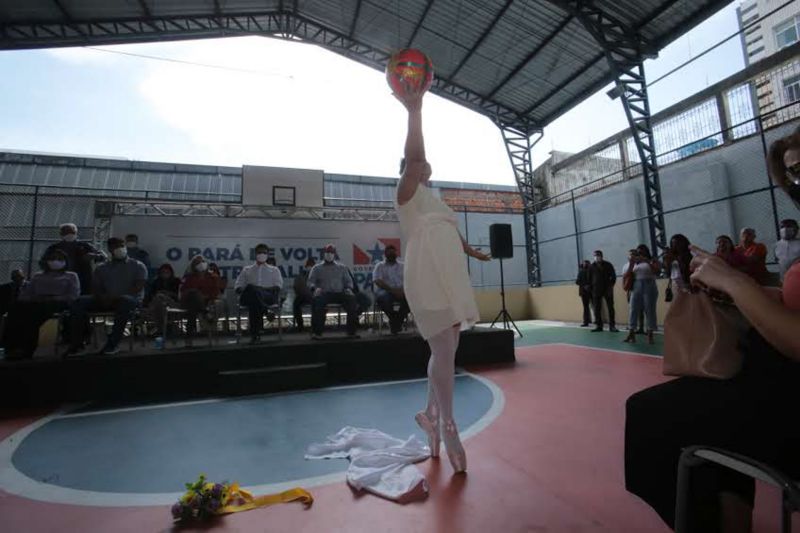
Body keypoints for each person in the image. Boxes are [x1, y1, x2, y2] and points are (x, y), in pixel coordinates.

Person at [625, 126, 800, 533]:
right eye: (792, 173)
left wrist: (738, 284)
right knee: (698, 407)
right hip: (769, 381)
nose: (795, 182)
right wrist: (739, 293)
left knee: (654, 415)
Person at [394, 82, 490, 475]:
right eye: (417, 165)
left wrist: (471, 251)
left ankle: (431, 415)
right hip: (426, 276)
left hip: (450, 276)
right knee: (445, 351)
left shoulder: (436, 202)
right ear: (408, 171)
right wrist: (415, 110)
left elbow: (451, 232)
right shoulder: (404, 194)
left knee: (446, 349)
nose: (423, 165)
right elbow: (414, 158)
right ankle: (449, 424)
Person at [64, 237, 147, 356]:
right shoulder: (102, 268)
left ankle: (112, 345)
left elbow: (138, 287)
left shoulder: (138, 265)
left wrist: (115, 297)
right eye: (115, 247)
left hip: (129, 300)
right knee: (79, 302)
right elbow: (96, 287)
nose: (119, 249)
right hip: (105, 300)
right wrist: (102, 297)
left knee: (126, 301)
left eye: (121, 246)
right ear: (109, 249)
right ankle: (77, 344)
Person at [1, 251, 79, 359]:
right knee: (15, 309)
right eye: (52, 258)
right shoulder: (38, 276)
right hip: (36, 301)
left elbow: (73, 296)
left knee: (32, 314)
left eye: (59, 259)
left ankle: (27, 349)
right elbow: (26, 294)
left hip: (58, 303)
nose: (55, 261)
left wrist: (53, 298)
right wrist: (34, 298)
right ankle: (11, 347)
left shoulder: (71, 276)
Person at [308, 244, 359, 340]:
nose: (329, 254)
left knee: (352, 300)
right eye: (327, 252)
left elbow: (349, 281)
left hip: (339, 293)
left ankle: (351, 332)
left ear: (335, 254)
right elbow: (310, 281)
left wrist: (348, 288)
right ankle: (317, 333)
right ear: (323, 253)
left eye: (331, 252)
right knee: (317, 301)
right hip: (324, 293)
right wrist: (314, 288)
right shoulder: (317, 268)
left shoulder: (342, 267)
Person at [234, 244, 283, 343]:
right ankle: (266, 312)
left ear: (268, 255)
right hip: (247, 297)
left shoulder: (274, 270)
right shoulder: (247, 270)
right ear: (255, 254)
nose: (262, 254)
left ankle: (255, 335)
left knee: (254, 298)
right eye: (259, 252)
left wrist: (260, 289)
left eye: (264, 253)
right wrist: (251, 290)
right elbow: (237, 287)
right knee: (252, 290)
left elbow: (278, 286)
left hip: (267, 296)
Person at [42, 223, 105, 295]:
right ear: (61, 234)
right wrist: (53, 263)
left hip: (83, 280)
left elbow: (103, 257)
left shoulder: (85, 246)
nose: (69, 234)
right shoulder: (55, 248)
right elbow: (43, 262)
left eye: (72, 232)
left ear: (76, 233)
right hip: (60, 281)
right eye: (66, 232)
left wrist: (94, 256)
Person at [180, 255, 225, 345]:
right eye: (197, 263)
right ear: (193, 266)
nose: (200, 264)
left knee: (193, 307)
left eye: (202, 262)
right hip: (190, 301)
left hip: (206, 301)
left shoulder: (213, 277)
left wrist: (203, 296)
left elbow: (216, 292)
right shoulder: (189, 277)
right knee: (194, 294)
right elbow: (184, 291)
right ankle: (205, 312)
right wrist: (197, 294)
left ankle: (189, 336)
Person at [622, 245, 660, 344]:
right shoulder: (632, 263)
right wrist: (631, 263)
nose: (639, 254)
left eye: (642, 252)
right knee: (633, 308)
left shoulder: (652, 260)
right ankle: (631, 333)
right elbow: (626, 276)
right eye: (638, 252)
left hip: (649, 284)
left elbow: (657, 271)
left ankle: (650, 334)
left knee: (649, 309)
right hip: (636, 285)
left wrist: (646, 260)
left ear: (646, 252)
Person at [374, 245, 410, 334]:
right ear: (385, 254)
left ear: (396, 254)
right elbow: (378, 281)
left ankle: (396, 322)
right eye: (389, 253)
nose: (391, 255)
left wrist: (402, 290)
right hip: (386, 291)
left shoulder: (403, 266)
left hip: (402, 290)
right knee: (382, 298)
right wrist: (392, 290)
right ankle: (396, 322)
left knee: (411, 299)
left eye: (393, 253)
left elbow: (409, 280)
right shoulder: (379, 266)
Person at [145, 263, 181, 337]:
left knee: (160, 297)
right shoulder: (156, 282)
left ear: (171, 273)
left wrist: (167, 294)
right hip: (159, 304)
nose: (165, 274)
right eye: (163, 272)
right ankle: (163, 328)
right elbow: (150, 295)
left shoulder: (177, 281)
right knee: (159, 301)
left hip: (173, 303)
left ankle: (161, 328)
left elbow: (179, 296)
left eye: (167, 272)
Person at [588, 250, 618, 332]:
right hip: (596, 290)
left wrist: (610, 286)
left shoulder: (608, 265)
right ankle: (599, 326)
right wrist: (591, 289)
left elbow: (613, 277)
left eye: (598, 255)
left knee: (610, 308)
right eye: (595, 255)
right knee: (597, 308)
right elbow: (589, 279)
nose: (596, 257)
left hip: (607, 289)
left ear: (601, 256)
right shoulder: (591, 266)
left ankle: (612, 326)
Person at [622, 249, 645, 333]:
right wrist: (626, 288)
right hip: (631, 289)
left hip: (641, 289)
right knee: (632, 309)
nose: (631, 256)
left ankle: (641, 327)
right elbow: (624, 278)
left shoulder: (640, 265)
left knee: (641, 309)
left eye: (634, 255)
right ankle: (633, 327)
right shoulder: (625, 266)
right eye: (630, 255)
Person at [293, 258, 316, 332]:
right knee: (295, 304)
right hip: (302, 296)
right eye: (308, 265)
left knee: (318, 304)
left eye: (311, 265)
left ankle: (315, 326)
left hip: (314, 296)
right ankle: (300, 326)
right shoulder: (301, 275)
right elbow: (296, 286)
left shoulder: (317, 274)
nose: (309, 267)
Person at [575, 260, 592, 327]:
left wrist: (584, 285)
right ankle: (592, 321)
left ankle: (586, 322)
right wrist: (587, 285)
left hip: (584, 292)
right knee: (593, 307)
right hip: (590, 291)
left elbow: (577, 282)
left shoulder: (581, 272)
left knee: (586, 307)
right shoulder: (590, 271)